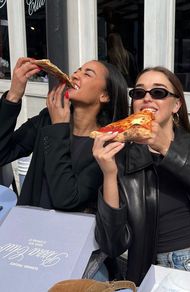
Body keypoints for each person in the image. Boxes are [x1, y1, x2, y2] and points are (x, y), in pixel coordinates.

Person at [92, 66, 190, 286]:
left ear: (176, 105)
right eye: (139, 93)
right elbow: (113, 244)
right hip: (155, 273)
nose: (147, 98)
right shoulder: (122, 160)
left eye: (158, 93)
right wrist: (109, 173)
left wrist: (166, 148)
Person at [0, 57, 128, 211]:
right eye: (77, 71)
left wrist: (59, 128)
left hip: (68, 232)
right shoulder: (48, 119)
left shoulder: (106, 145)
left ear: (105, 95)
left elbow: (66, 199)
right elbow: (3, 153)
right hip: (28, 226)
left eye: (87, 74)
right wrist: (14, 95)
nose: (75, 75)